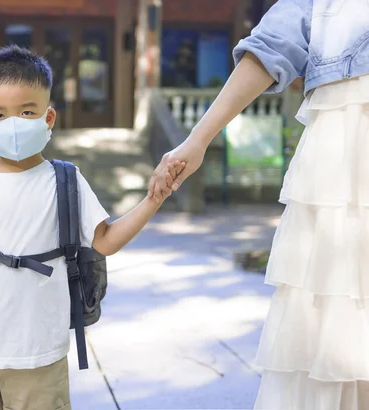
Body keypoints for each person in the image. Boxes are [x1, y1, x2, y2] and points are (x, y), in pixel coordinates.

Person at [0, 45, 183, 410]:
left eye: (27, 111)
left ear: (48, 118)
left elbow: (106, 241)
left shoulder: (66, 179)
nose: (13, 123)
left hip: (40, 353)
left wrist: (152, 201)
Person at [150, 0, 369, 408]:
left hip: (342, 158)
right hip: (344, 168)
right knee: (333, 339)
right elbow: (271, 47)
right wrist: (198, 139)